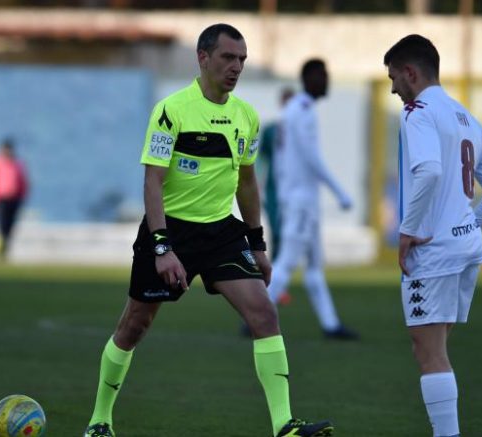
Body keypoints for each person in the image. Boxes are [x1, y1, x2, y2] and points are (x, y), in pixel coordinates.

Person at [82, 24, 334, 437]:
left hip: (221, 233)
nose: (236, 67)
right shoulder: (172, 110)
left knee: (264, 313)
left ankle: (284, 426)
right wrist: (162, 248)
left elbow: (247, 183)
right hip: (171, 232)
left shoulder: (247, 117)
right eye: (228, 57)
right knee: (134, 326)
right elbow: (152, 182)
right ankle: (99, 420)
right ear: (202, 58)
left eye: (242, 60)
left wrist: (257, 244)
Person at [384, 34, 482, 436]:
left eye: (393, 78)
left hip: (434, 251)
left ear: (410, 73)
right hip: (465, 248)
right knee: (433, 347)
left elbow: (429, 171)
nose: (393, 89)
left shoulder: (418, 112)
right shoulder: (465, 116)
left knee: (429, 352)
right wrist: (468, 225)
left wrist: (408, 230)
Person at [266, 59, 358, 340]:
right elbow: (312, 158)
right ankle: (257, 314)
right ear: (309, 78)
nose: (327, 80)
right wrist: (340, 192)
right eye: (323, 75)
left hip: (300, 198)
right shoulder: (302, 111)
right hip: (301, 201)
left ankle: (331, 325)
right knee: (287, 262)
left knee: (314, 267)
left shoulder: (293, 111)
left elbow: (282, 160)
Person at [258, 87, 294, 305]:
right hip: (273, 190)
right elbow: (261, 160)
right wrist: (259, 185)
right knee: (277, 233)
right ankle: (273, 283)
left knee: (287, 236)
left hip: (293, 192)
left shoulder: (298, 130)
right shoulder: (271, 130)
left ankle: (278, 284)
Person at [0, 139, 29, 260]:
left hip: (15, 199)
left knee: (10, 225)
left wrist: (22, 197)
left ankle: (5, 249)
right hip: (1, 199)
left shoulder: (17, 164)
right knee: (1, 224)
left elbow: (23, 182)